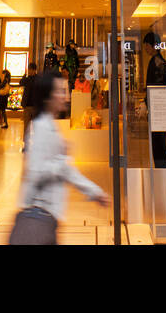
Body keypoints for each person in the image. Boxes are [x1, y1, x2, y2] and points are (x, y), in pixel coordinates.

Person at [11, 72, 109, 244]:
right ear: (47, 97)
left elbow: (67, 170)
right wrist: (61, 160)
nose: (65, 95)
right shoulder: (40, 128)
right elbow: (35, 171)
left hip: (48, 217)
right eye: (59, 91)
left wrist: (94, 192)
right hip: (38, 216)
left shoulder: (50, 126)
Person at [142, 32, 166, 168]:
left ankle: (163, 172)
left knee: (158, 144)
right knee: (158, 144)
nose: (146, 48)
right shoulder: (157, 61)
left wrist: (147, 103)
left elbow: (156, 88)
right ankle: (163, 171)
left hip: (158, 109)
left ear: (152, 45)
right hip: (158, 108)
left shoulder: (157, 62)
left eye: (146, 45)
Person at [20, 63, 39, 150]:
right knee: (26, 127)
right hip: (27, 106)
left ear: (34, 70)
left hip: (35, 106)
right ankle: (26, 145)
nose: (29, 71)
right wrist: (24, 76)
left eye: (31, 69)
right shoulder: (26, 79)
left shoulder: (38, 79)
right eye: (29, 69)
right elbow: (21, 83)